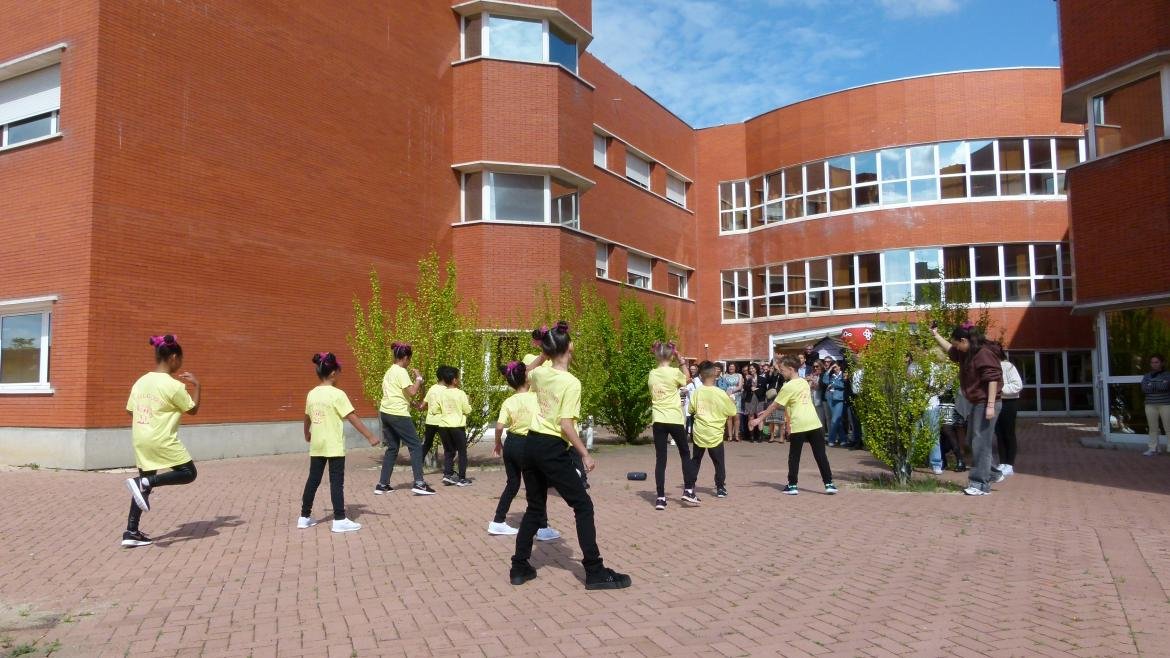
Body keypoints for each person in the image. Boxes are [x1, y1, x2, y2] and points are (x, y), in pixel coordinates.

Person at [510, 321, 630, 590]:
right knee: (583, 505)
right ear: (568, 347)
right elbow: (566, 423)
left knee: (535, 507)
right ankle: (595, 571)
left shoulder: (540, 374)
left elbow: (525, 370)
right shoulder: (571, 382)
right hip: (552, 447)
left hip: (530, 445)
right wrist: (585, 453)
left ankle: (519, 567)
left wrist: (544, 353)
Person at [122, 335, 202, 548]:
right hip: (162, 439)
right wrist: (197, 386)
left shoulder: (141, 381)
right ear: (174, 357)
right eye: (180, 360)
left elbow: (130, 410)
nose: (180, 364)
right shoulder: (173, 386)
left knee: (141, 487)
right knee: (188, 472)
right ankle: (147, 482)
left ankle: (131, 531)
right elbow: (192, 409)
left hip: (141, 438)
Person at [299, 352, 380, 533]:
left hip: (317, 444)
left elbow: (307, 417)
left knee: (313, 480)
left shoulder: (312, 394)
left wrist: (307, 433)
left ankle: (304, 517)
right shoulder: (337, 394)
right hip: (333, 445)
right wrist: (370, 436)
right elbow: (351, 417)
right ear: (334, 373)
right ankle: (339, 519)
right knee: (336, 482)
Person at [488, 358, 561, 541]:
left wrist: (498, 443)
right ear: (527, 379)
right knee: (537, 486)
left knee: (512, 484)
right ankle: (542, 527)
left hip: (511, 443)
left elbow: (499, 426)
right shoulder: (535, 397)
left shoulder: (509, 401)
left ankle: (498, 521)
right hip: (529, 443)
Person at [930, 322, 1004, 496]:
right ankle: (993, 473)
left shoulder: (983, 354)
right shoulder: (966, 352)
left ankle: (980, 484)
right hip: (977, 403)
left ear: (964, 340)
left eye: (957, 344)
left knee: (980, 443)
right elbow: (950, 350)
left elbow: (992, 379)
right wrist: (936, 335)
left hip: (986, 403)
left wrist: (990, 406)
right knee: (973, 439)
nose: (956, 347)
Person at [750, 355, 837, 495]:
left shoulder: (787, 386)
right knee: (821, 455)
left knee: (794, 456)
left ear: (791, 369)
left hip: (800, 424)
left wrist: (759, 419)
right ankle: (829, 484)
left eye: (783, 370)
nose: (782, 372)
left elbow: (775, 405)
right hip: (814, 423)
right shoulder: (803, 382)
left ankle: (792, 485)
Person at [375, 342, 436, 496]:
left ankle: (382, 484)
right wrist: (419, 378)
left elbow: (399, 393)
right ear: (406, 357)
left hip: (386, 413)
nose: (409, 363)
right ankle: (419, 483)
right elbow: (412, 391)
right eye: (409, 359)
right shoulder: (401, 371)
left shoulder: (389, 371)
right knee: (415, 445)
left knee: (393, 447)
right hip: (398, 414)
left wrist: (412, 403)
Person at [647, 341, 699, 510]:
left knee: (660, 459)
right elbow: (688, 380)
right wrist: (681, 359)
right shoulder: (675, 372)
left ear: (657, 355)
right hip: (675, 418)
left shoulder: (652, 374)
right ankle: (688, 490)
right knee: (685, 454)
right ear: (671, 356)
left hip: (658, 420)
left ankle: (660, 498)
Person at [689, 361, 737, 498]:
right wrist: (731, 400)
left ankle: (690, 485)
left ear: (701, 376)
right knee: (718, 462)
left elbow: (691, 409)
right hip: (715, 433)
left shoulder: (697, 392)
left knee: (696, 460)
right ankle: (720, 487)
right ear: (715, 375)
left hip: (699, 432)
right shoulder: (720, 393)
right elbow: (732, 411)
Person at [434, 365, 473, 487]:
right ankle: (462, 478)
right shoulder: (461, 394)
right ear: (455, 380)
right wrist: (469, 402)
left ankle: (448, 475)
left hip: (443, 426)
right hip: (457, 426)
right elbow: (467, 410)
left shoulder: (441, 394)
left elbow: (435, 409)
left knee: (448, 451)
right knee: (462, 452)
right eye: (459, 378)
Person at [996, 355, 1024, 475]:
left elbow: (1017, 385)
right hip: (996, 402)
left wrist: (999, 389)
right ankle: (1002, 462)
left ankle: (1009, 464)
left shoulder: (1008, 366)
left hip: (1008, 402)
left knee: (1008, 433)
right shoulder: (991, 366)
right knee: (999, 433)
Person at [1141, 354, 1170, 456]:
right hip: (1150, 404)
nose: (1154, 364)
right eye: (1152, 362)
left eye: (1156, 362)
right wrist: (1158, 384)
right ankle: (1153, 449)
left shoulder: (1167, 375)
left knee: (1168, 427)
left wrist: (1152, 384)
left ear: (1162, 363)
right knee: (1153, 427)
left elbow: (1164, 386)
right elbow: (1144, 389)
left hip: (1165, 404)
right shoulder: (1146, 376)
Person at [938, 388, 968, 471]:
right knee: (941, 430)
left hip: (955, 399)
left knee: (952, 429)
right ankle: (943, 459)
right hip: (940, 400)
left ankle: (960, 459)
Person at [822, 356, 848, 447]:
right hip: (830, 398)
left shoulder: (842, 375)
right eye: (833, 367)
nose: (835, 369)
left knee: (834, 420)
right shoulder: (831, 375)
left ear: (840, 367)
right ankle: (843, 439)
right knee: (837, 420)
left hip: (839, 399)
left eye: (836, 367)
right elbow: (825, 381)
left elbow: (843, 385)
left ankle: (831, 439)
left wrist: (833, 384)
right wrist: (829, 370)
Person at [742, 363, 766, 442]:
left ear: (756, 369)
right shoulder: (748, 379)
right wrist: (750, 387)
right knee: (750, 416)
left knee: (760, 416)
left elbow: (764, 389)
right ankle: (751, 436)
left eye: (753, 368)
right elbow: (745, 388)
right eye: (750, 369)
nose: (751, 370)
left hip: (759, 399)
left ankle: (760, 436)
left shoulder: (762, 378)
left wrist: (757, 389)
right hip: (750, 399)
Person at [722, 362, 744, 442]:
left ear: (735, 368)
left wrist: (732, 390)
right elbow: (723, 386)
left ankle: (736, 435)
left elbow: (740, 386)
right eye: (730, 367)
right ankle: (730, 435)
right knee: (729, 417)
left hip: (737, 396)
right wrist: (727, 392)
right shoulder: (724, 376)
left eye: (733, 367)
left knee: (737, 416)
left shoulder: (739, 375)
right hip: (727, 397)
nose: (731, 368)